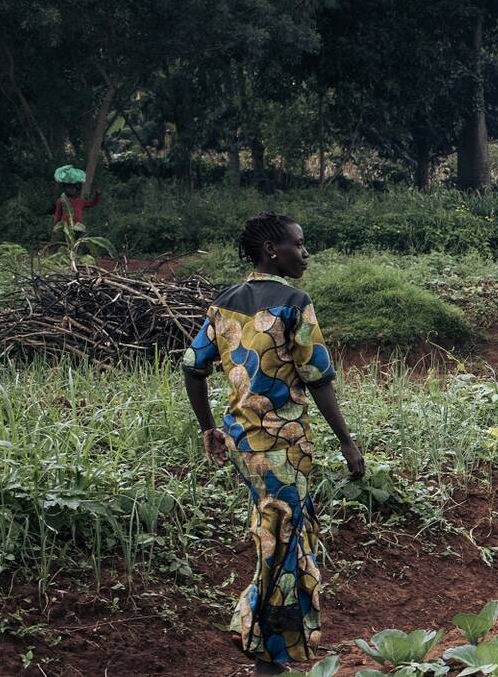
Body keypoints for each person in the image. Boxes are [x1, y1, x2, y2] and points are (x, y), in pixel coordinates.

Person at [181, 211, 363, 676]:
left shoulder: (225, 303)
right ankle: (267, 655)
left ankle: (269, 647)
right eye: (298, 245)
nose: (305, 253)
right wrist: (347, 443)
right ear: (271, 251)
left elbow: (192, 366)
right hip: (284, 449)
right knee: (283, 546)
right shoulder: (294, 303)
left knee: (280, 538)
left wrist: (209, 428)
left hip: (245, 447)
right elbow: (319, 379)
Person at [49, 165, 100, 229]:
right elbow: (58, 215)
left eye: (73, 188)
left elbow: (92, 203)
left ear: (76, 190)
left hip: (78, 228)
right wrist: (55, 227)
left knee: (80, 236)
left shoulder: (80, 201)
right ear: (65, 189)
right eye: (69, 188)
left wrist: (97, 195)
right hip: (66, 229)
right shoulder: (61, 201)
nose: (71, 190)